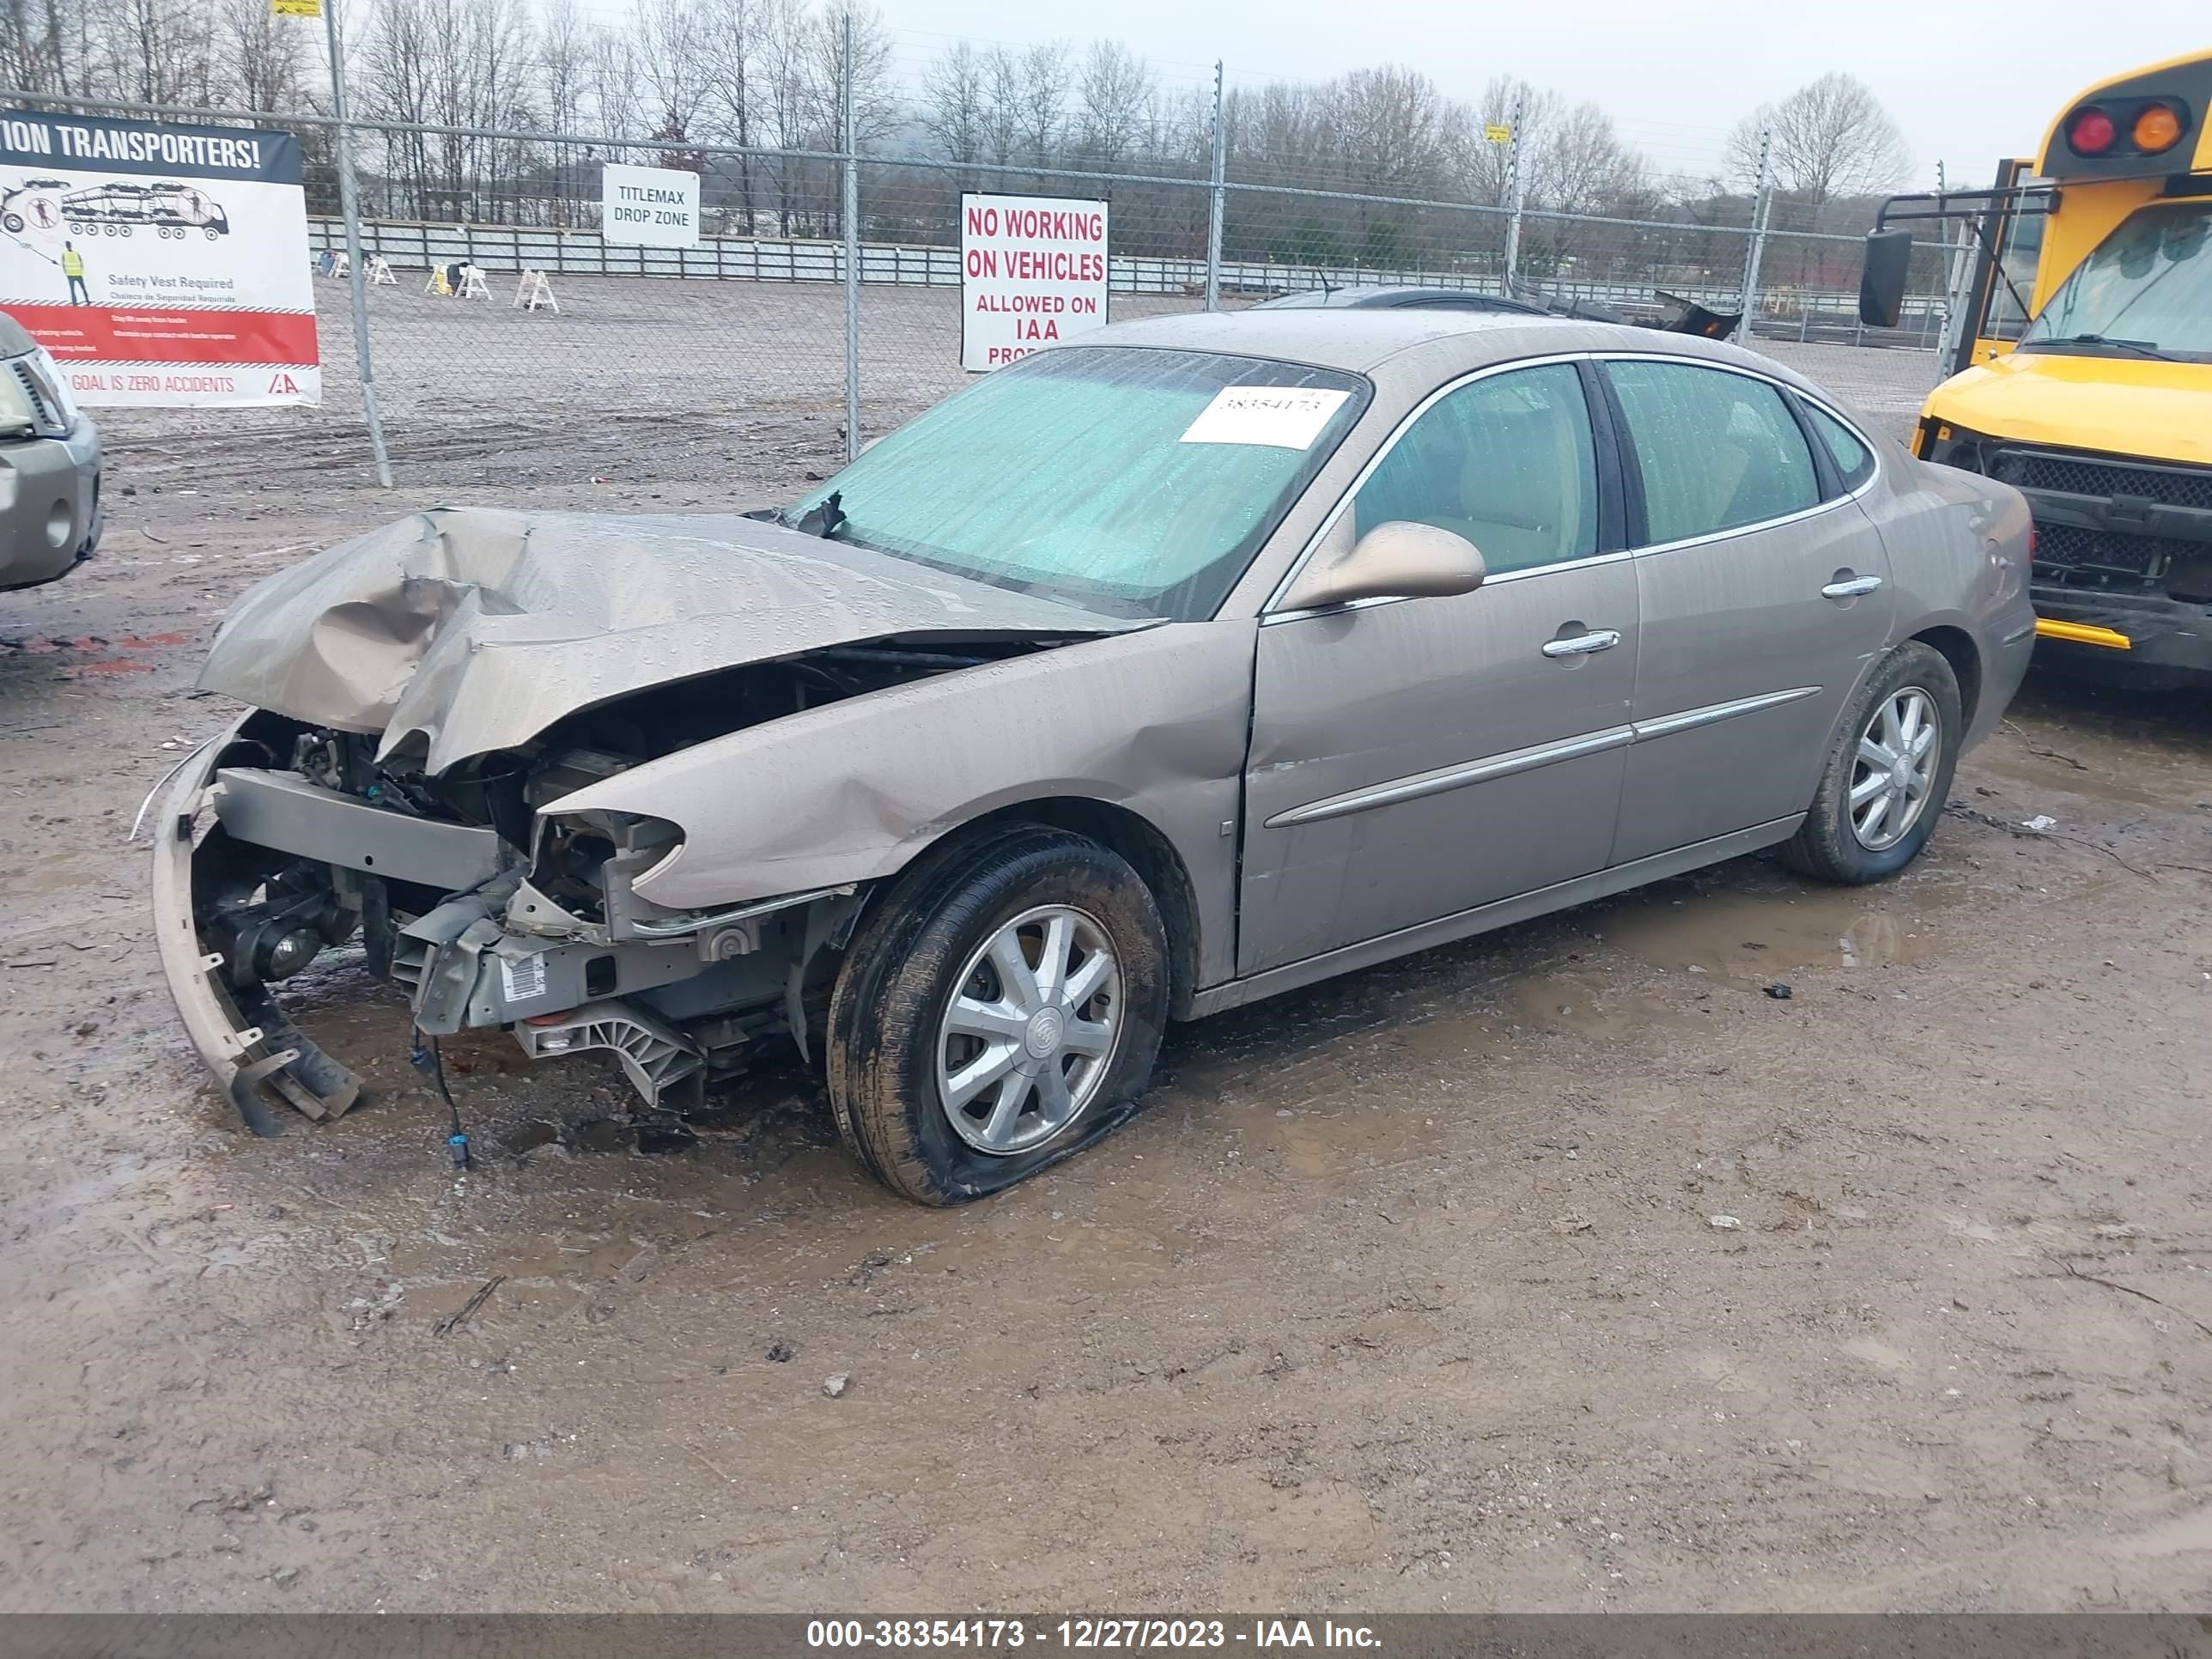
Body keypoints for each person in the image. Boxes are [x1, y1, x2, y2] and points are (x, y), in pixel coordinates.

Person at [62, 240, 88, 306]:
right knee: (78, 289)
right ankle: (83, 301)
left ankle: (81, 301)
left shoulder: (70, 254)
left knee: (77, 289)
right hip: (74, 274)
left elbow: (64, 264)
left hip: (74, 274)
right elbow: (64, 264)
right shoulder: (71, 254)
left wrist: (66, 272)